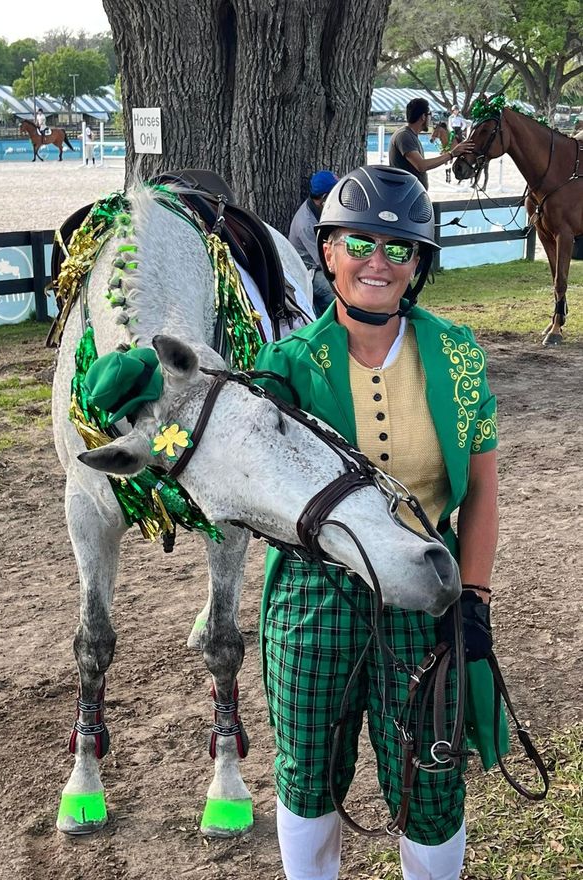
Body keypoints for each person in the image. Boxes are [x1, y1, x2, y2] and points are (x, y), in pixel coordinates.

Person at [255, 165, 499, 880]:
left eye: (399, 248)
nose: (378, 262)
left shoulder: (457, 355)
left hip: (425, 597)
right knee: (308, 772)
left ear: (419, 263)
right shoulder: (284, 366)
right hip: (313, 600)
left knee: (431, 779)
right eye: (360, 242)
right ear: (327, 251)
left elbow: (481, 490)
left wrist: (476, 598)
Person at [389, 98, 474, 190]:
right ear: (423, 117)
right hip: (407, 196)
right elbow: (421, 165)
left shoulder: (410, 135)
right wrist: (451, 154)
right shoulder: (404, 136)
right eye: (430, 114)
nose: (431, 118)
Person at [289, 170, 339, 316]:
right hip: (308, 271)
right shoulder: (306, 224)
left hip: (322, 259)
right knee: (336, 290)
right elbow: (324, 261)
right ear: (324, 198)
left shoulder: (322, 208)